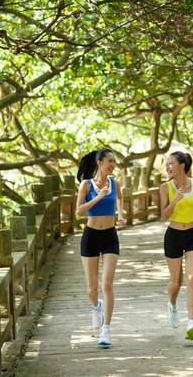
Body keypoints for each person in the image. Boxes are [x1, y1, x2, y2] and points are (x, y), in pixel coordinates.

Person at [76, 148, 127, 346]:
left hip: (110, 237)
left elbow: (120, 198)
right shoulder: (86, 185)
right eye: (110, 161)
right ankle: (96, 307)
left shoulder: (115, 183)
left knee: (107, 284)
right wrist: (98, 197)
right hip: (90, 237)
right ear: (100, 163)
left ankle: (106, 330)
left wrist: (120, 214)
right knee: (92, 289)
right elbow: (79, 211)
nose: (114, 165)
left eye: (115, 161)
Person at [159, 151, 193, 341]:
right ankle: (172, 305)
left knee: (192, 278)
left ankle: (192, 322)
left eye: (170, 164)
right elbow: (163, 216)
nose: (167, 167)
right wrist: (175, 200)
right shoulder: (165, 187)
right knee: (176, 282)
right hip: (173, 236)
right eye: (166, 164)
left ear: (182, 166)